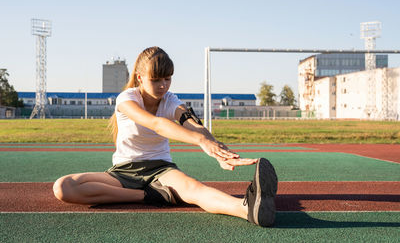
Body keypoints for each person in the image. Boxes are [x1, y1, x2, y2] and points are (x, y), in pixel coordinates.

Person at [53, 46, 278, 227]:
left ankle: (246, 208)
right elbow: (157, 125)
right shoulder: (126, 99)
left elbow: (194, 124)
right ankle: (148, 196)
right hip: (123, 172)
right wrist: (199, 141)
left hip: (161, 170)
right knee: (64, 187)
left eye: (168, 79)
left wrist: (215, 149)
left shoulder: (171, 100)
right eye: (156, 80)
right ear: (140, 77)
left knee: (194, 190)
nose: (163, 85)